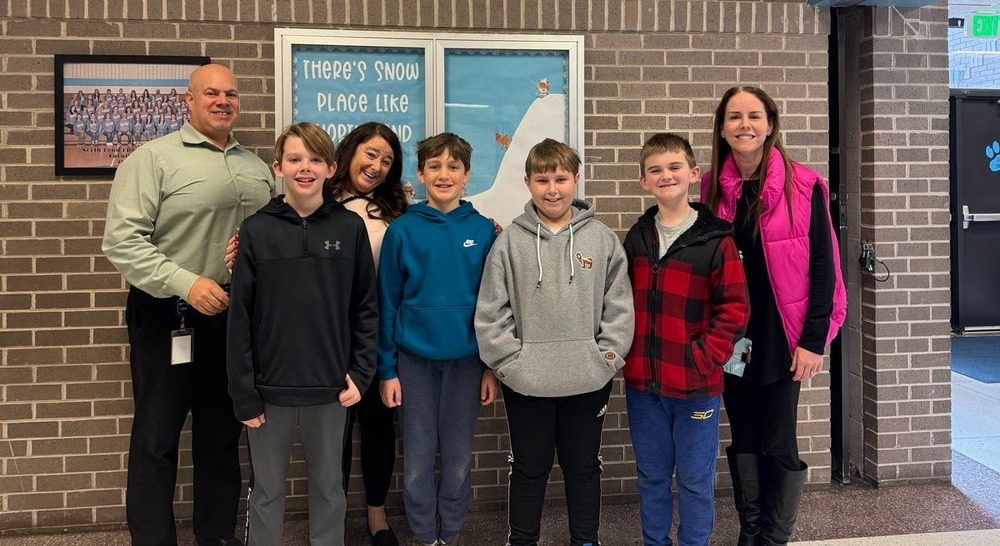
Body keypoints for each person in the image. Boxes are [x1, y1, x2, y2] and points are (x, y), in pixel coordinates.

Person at [102, 64, 276, 546]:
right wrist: (185, 282)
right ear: (189, 100)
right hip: (168, 316)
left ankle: (215, 536)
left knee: (221, 438)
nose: (223, 101)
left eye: (231, 94)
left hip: (233, 321)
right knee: (156, 439)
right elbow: (121, 241)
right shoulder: (153, 159)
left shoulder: (257, 168)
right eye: (211, 93)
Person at [225, 121, 408, 546]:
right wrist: (243, 392)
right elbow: (241, 320)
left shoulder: (349, 228)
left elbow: (366, 308)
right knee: (267, 492)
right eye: (294, 159)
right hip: (269, 390)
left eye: (314, 159)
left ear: (330, 168)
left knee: (329, 490)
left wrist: (362, 374)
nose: (304, 167)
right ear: (278, 167)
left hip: (332, 388)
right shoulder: (257, 229)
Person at [701, 86, 847, 546]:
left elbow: (824, 266)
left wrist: (813, 340)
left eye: (754, 116)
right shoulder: (709, 188)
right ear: (722, 128)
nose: (745, 125)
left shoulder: (804, 184)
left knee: (779, 436)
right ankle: (750, 528)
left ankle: (774, 535)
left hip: (784, 335)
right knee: (743, 430)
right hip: (734, 337)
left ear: (770, 125)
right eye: (734, 116)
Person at [474, 138, 635, 546]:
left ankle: (586, 539)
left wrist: (605, 359)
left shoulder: (602, 239)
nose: (552, 189)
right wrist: (511, 363)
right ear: (527, 182)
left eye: (561, 178)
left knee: (584, 467)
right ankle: (523, 540)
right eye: (542, 179)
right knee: (529, 467)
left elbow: (619, 308)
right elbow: (492, 311)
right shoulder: (509, 242)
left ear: (576, 180)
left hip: (588, 378)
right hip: (527, 383)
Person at [622, 133, 750, 546]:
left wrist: (702, 357)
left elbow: (734, 310)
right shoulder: (637, 237)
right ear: (643, 180)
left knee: (695, 482)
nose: (666, 175)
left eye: (675, 167)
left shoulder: (717, 239)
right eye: (655, 170)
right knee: (652, 478)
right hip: (644, 386)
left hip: (696, 387)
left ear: (694, 174)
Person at [377, 133, 500, 546]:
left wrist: (490, 368)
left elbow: (494, 306)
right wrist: (387, 370)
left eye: (452, 167)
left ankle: (450, 533)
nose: (443, 175)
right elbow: (387, 303)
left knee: (459, 460)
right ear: (420, 174)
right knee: (415, 461)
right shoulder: (403, 230)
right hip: (413, 363)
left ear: (467, 175)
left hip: (467, 363)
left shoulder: (484, 231)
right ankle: (425, 535)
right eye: (434, 166)